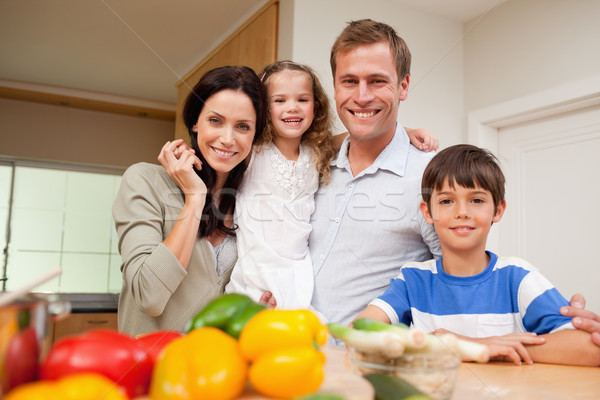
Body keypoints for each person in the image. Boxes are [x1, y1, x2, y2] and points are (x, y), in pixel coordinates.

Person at [355, 144, 600, 367]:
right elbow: (358, 334)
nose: (462, 212)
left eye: (476, 200)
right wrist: (444, 344)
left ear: (498, 209)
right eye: (447, 200)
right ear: (428, 212)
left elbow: (591, 348)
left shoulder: (518, 277)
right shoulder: (412, 280)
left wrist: (487, 347)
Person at [226, 60, 437, 309]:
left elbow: (358, 134)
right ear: (263, 108)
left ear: (316, 107)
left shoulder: (316, 152)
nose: (292, 108)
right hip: (254, 271)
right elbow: (217, 149)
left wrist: (406, 132)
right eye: (279, 101)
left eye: (302, 100)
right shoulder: (252, 150)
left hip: (297, 273)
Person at [112, 66, 267, 336]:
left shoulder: (251, 200)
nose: (227, 139)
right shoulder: (145, 181)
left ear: (255, 135)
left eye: (243, 126)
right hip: (153, 370)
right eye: (216, 121)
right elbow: (149, 296)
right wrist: (194, 198)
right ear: (196, 121)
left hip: (217, 371)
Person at [308, 19, 442, 327]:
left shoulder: (430, 175)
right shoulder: (313, 163)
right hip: (291, 356)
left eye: (377, 81)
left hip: (367, 365)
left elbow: (460, 274)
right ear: (335, 86)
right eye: (349, 81)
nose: (362, 96)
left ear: (403, 86)